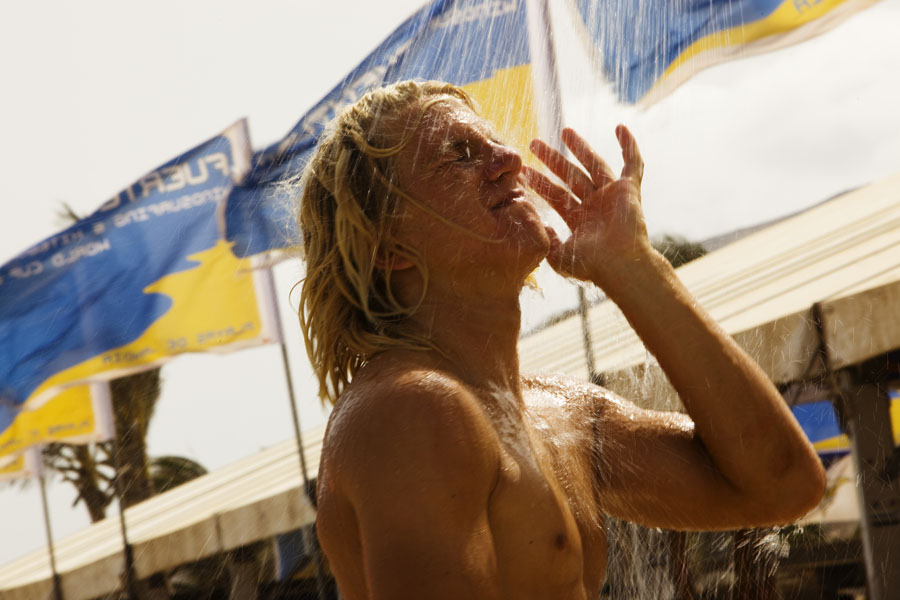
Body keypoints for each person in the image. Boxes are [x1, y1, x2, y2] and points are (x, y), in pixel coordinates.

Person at [297, 80, 825, 599]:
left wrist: (632, 266)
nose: (510, 159)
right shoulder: (411, 410)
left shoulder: (560, 414)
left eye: (493, 142)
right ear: (387, 247)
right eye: (458, 155)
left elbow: (782, 484)